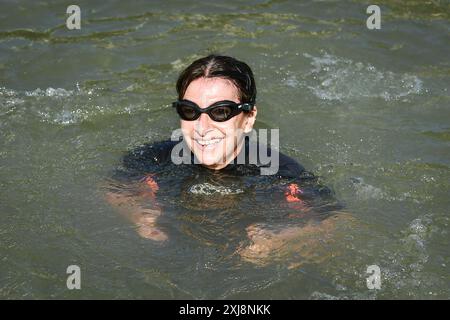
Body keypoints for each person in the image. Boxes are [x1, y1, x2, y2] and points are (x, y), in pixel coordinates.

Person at [104, 55, 347, 264]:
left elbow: (338, 223)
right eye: (190, 111)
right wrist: (139, 212)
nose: (202, 127)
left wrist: (283, 238)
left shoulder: (278, 173)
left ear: (249, 117)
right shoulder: (155, 159)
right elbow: (113, 187)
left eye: (220, 112)